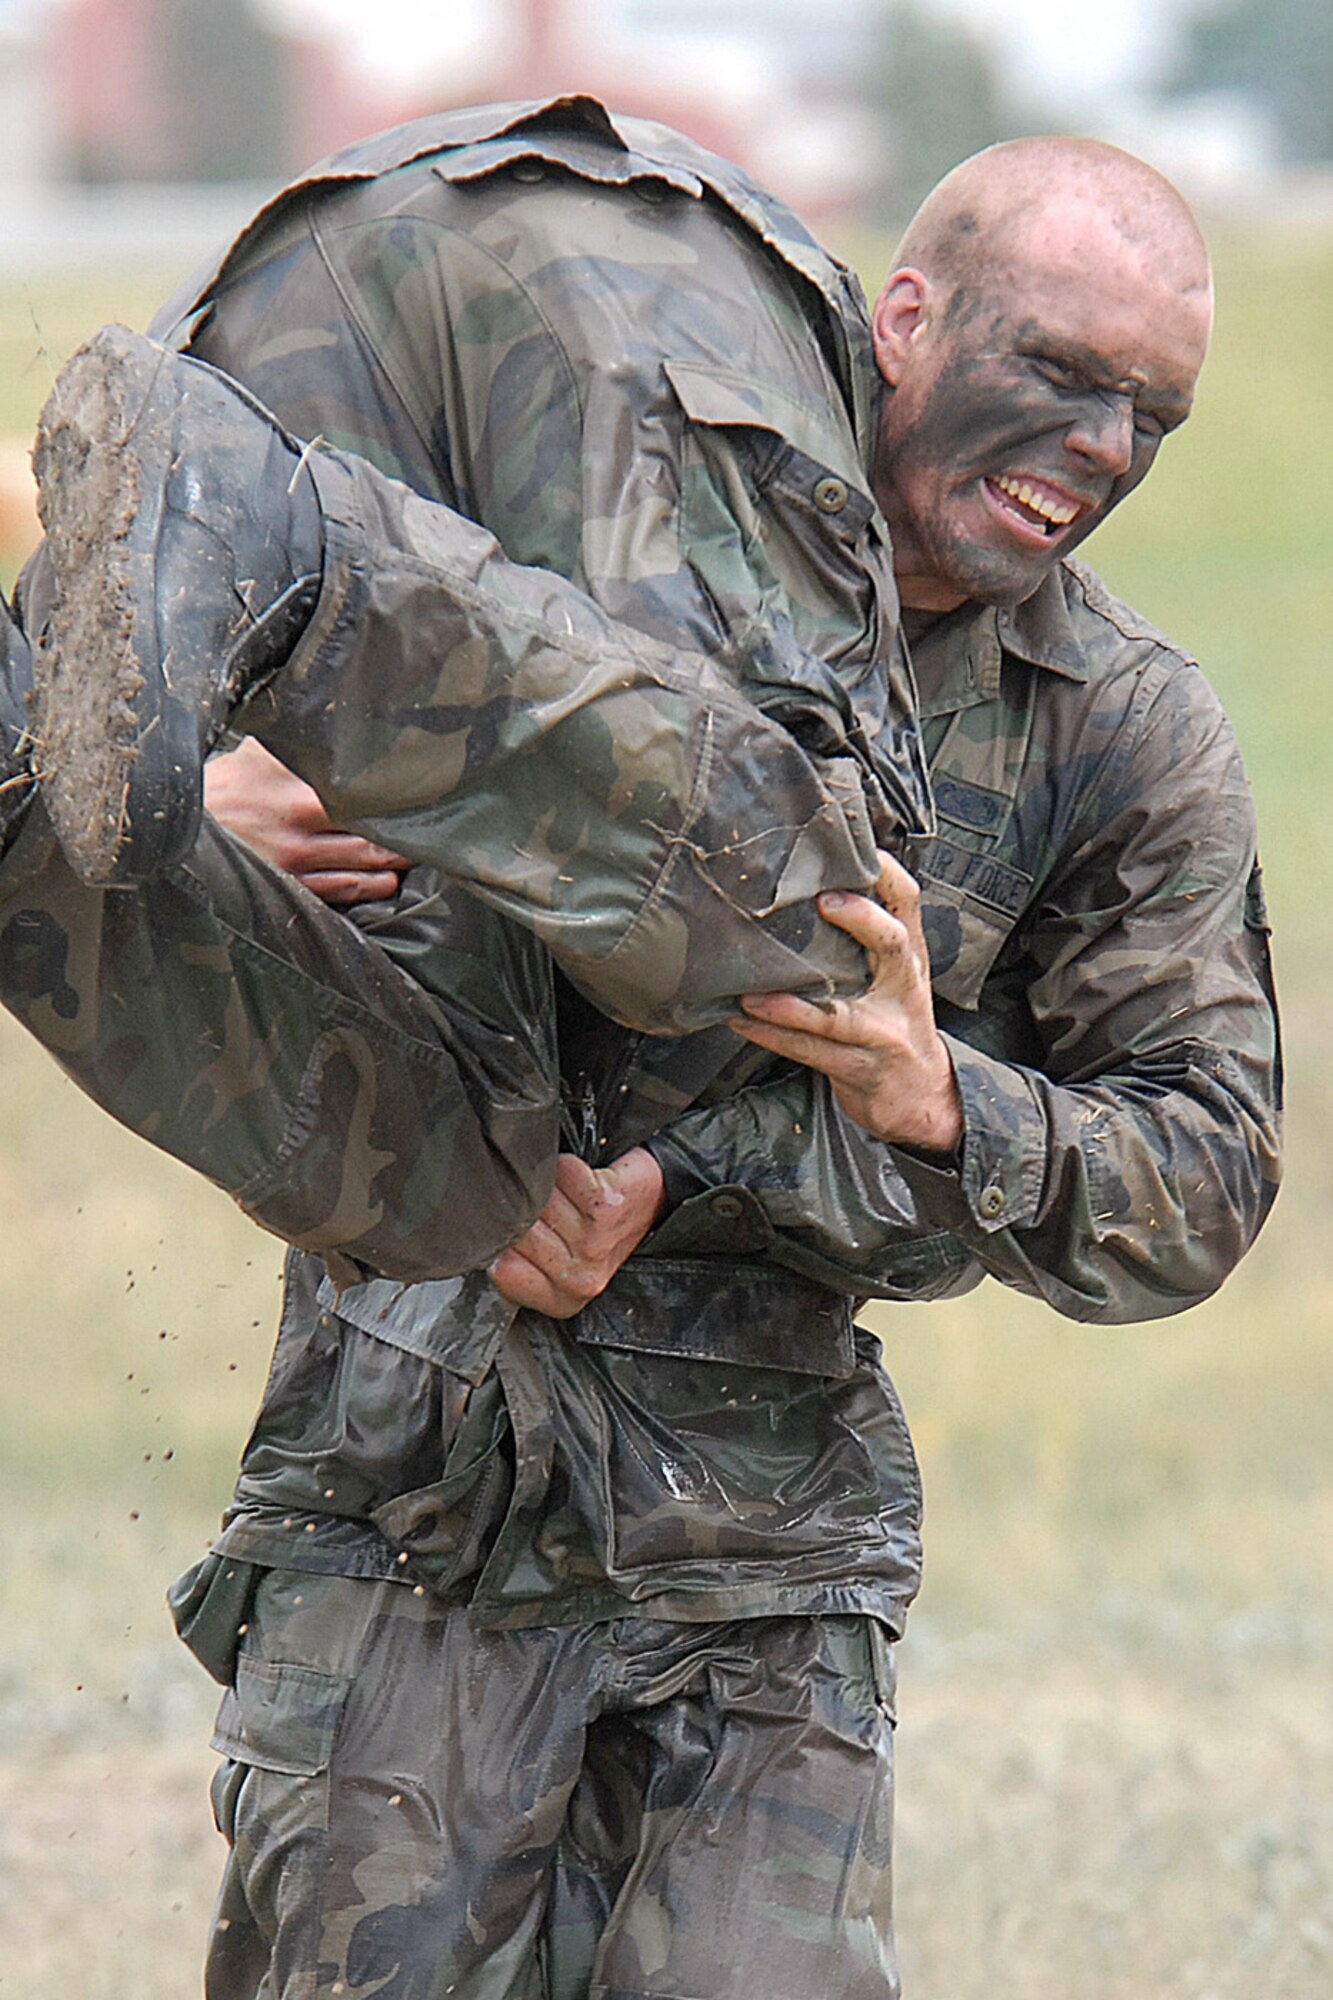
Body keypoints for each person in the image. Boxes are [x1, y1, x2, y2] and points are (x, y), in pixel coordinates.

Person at [1, 102, 1279, 2000]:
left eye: (1146, 422)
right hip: (408, 1485)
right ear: (904, 315)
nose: (1097, 455)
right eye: (1061, 377)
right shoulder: (602, 493)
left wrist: (933, 1105)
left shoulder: (1122, 736)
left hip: (755, 1546)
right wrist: (197, 780)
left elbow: (1201, 1175)